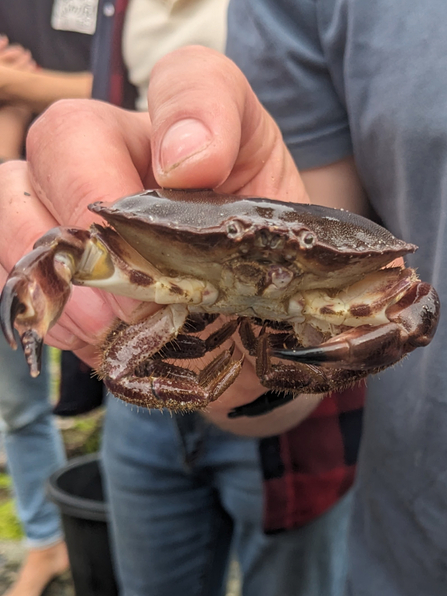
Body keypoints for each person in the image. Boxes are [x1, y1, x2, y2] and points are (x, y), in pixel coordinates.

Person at [2, 3, 442, 596]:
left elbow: (412, 306)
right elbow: (61, 249)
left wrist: (299, 367)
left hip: (337, 470)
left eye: (296, 249)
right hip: (171, 313)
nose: (267, 257)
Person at [0, 3, 93, 594]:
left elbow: (118, 87)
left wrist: (16, 82)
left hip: (83, 224)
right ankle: (45, 539)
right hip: (15, 217)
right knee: (19, 403)